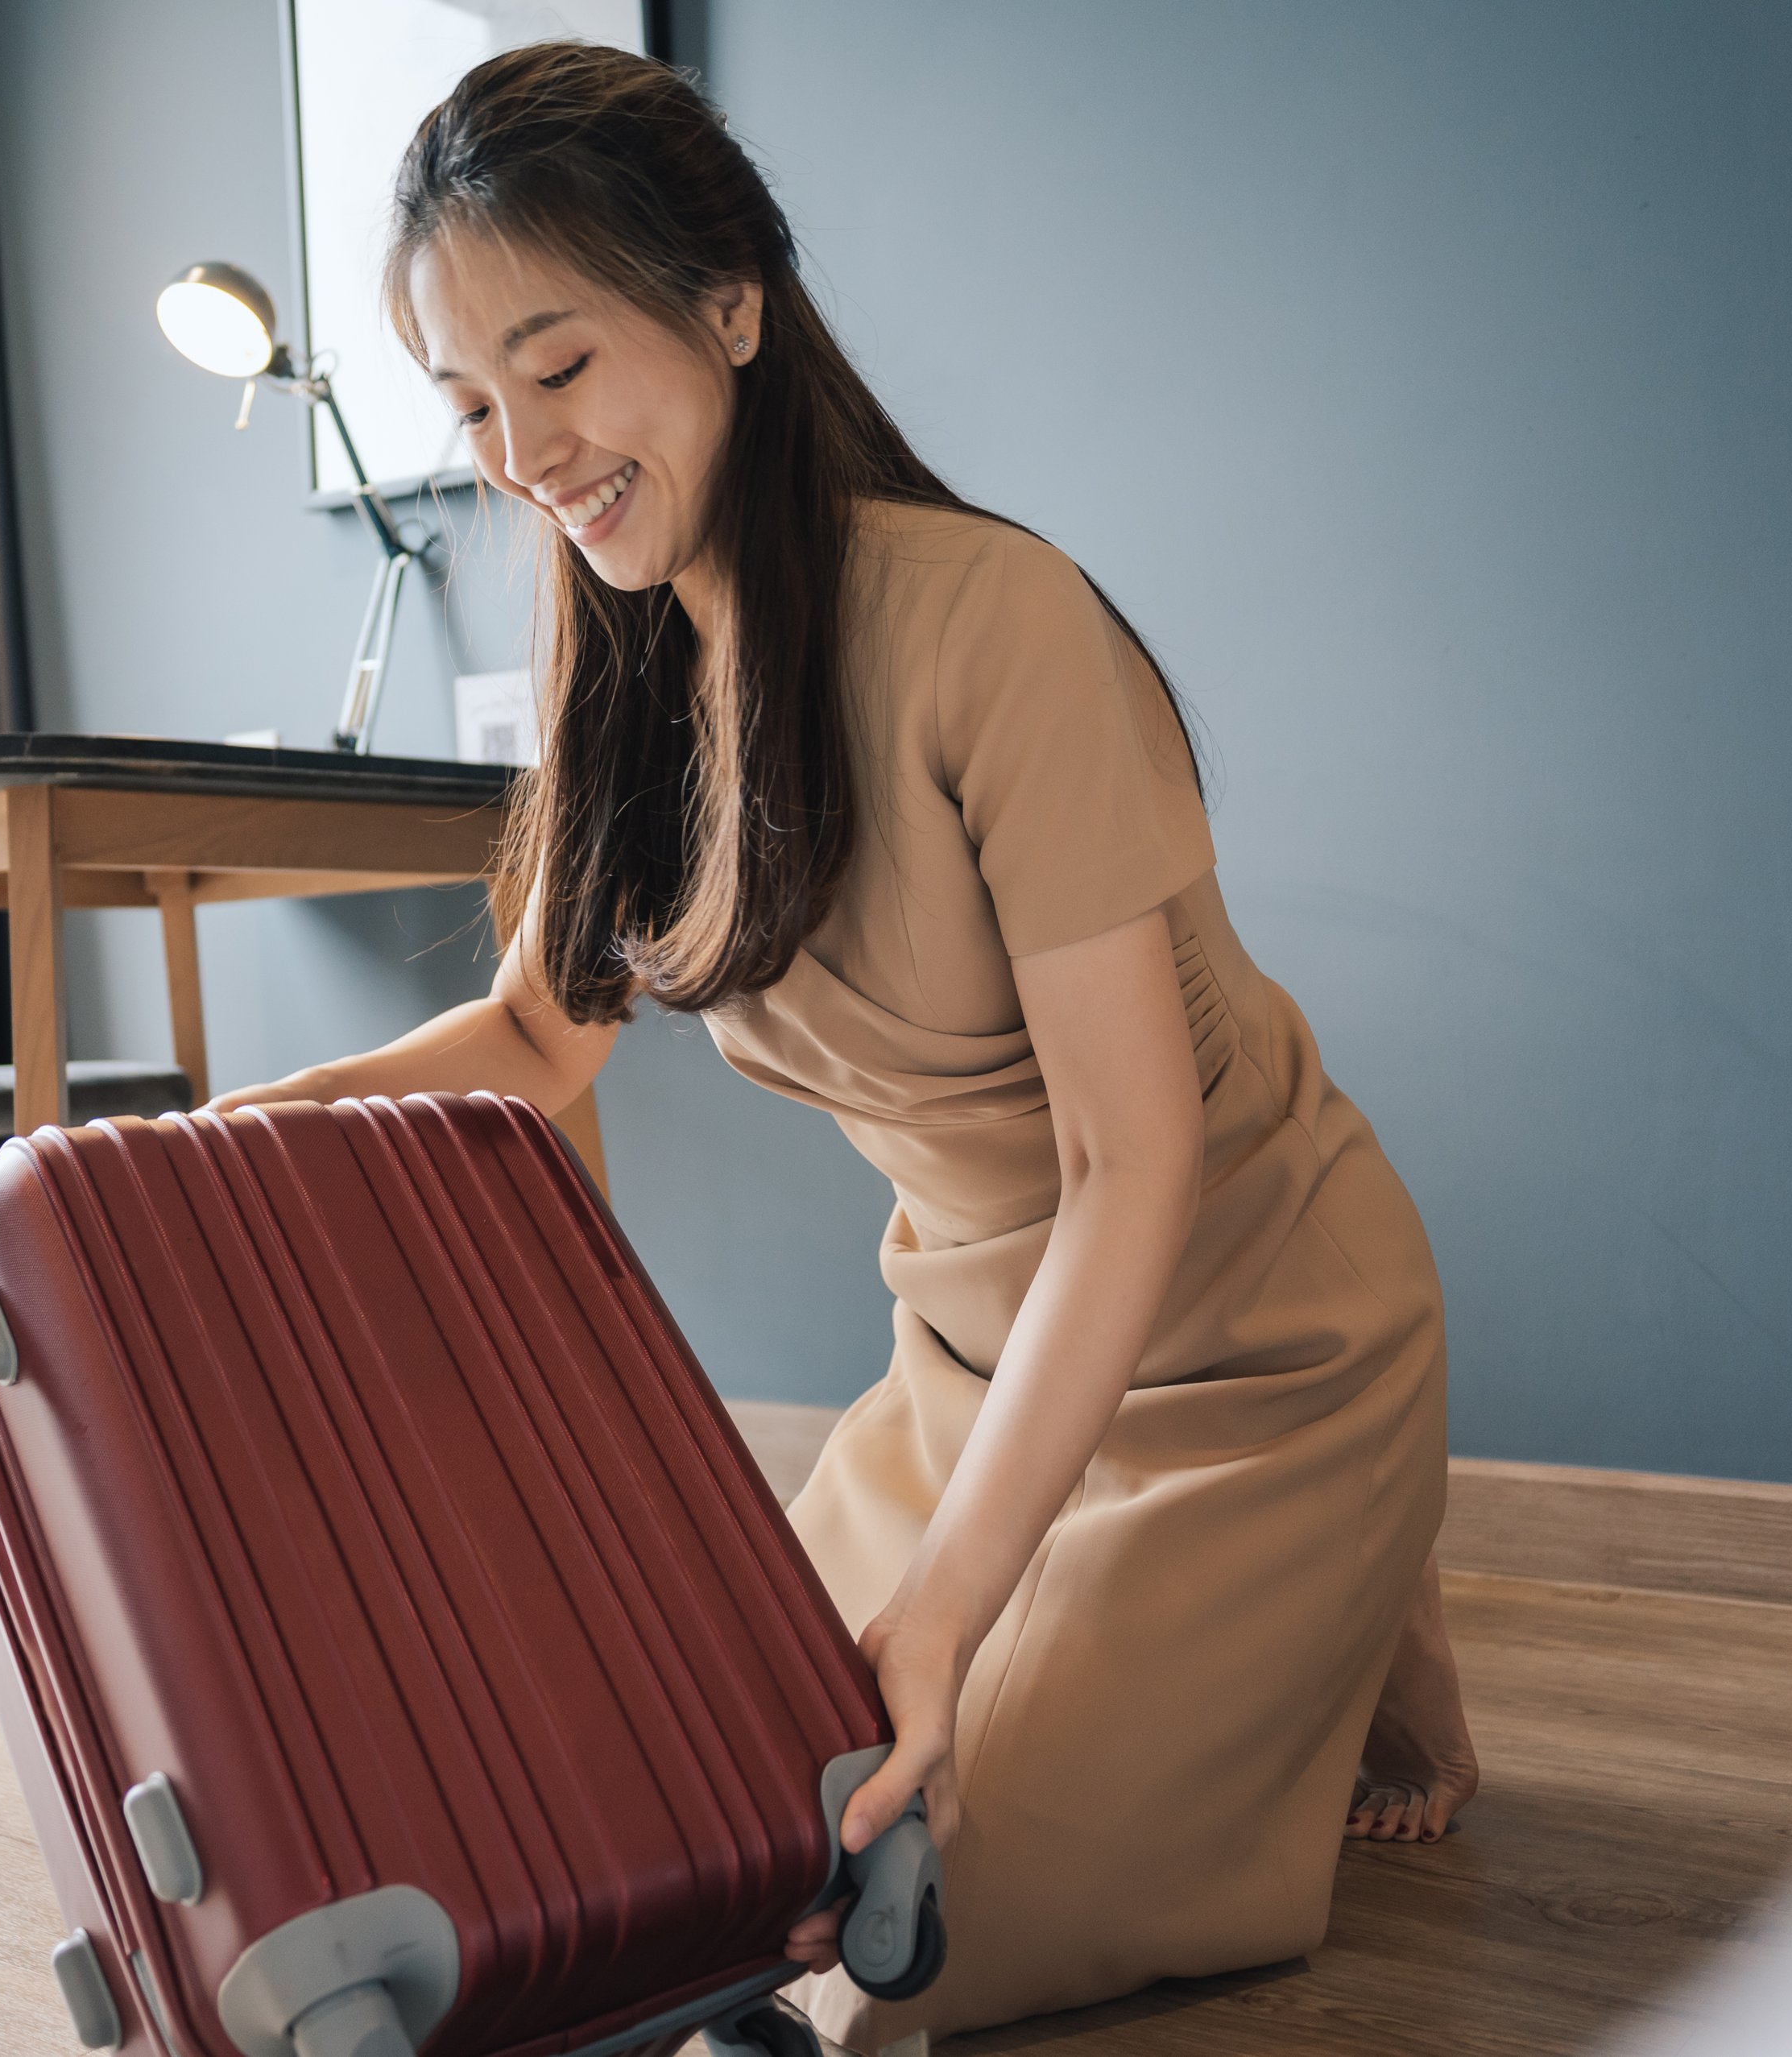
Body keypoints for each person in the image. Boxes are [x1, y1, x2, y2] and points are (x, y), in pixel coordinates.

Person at [205, 41, 1477, 2053]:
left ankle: (1340, 1577)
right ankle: (1278, 1654)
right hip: (972, 1364)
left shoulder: (997, 622)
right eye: (468, 407)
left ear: (730, 302)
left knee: (891, 1916)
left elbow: (1129, 1169)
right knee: (708, 1826)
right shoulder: (630, 676)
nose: (524, 451)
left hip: (1244, 1343)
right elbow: (537, 1035)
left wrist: (954, 1602)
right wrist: (200, 1147)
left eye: (560, 367)